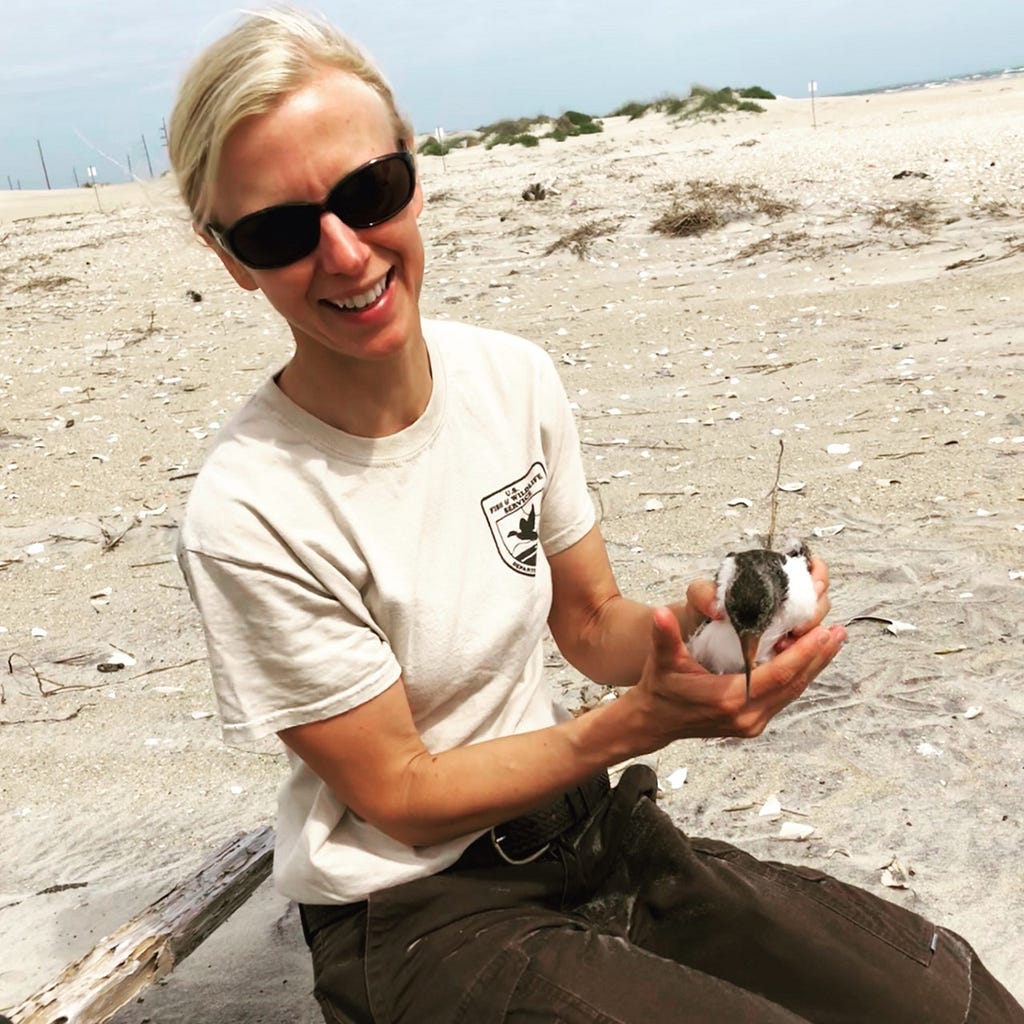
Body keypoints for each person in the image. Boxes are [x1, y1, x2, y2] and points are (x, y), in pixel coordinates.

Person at [168, 8, 1023, 1022]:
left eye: (369, 193)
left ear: (412, 169)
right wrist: (630, 725)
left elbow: (588, 622)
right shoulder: (252, 503)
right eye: (278, 230)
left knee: (942, 992)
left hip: (587, 834)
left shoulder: (509, 378)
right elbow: (396, 788)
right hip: (414, 909)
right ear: (230, 257)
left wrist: (695, 639)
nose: (347, 254)